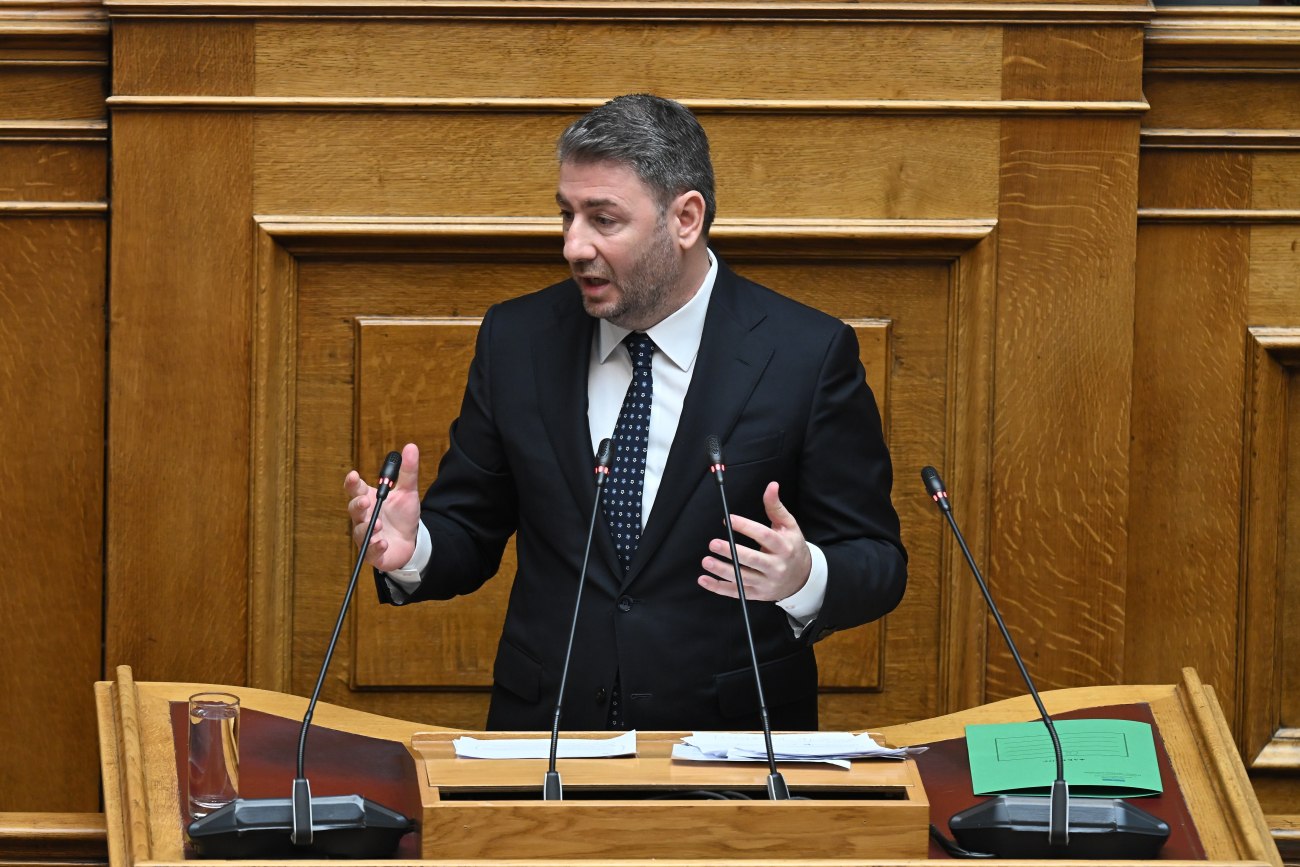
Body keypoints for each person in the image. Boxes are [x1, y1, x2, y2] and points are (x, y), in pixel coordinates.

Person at [344, 94, 906, 732]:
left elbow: (877, 560)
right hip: (548, 738)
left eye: (603, 219)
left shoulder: (806, 353)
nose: (573, 246)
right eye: (567, 215)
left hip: (730, 746)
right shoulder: (517, 340)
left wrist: (805, 576)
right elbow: (470, 529)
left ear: (685, 218)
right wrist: (412, 547)